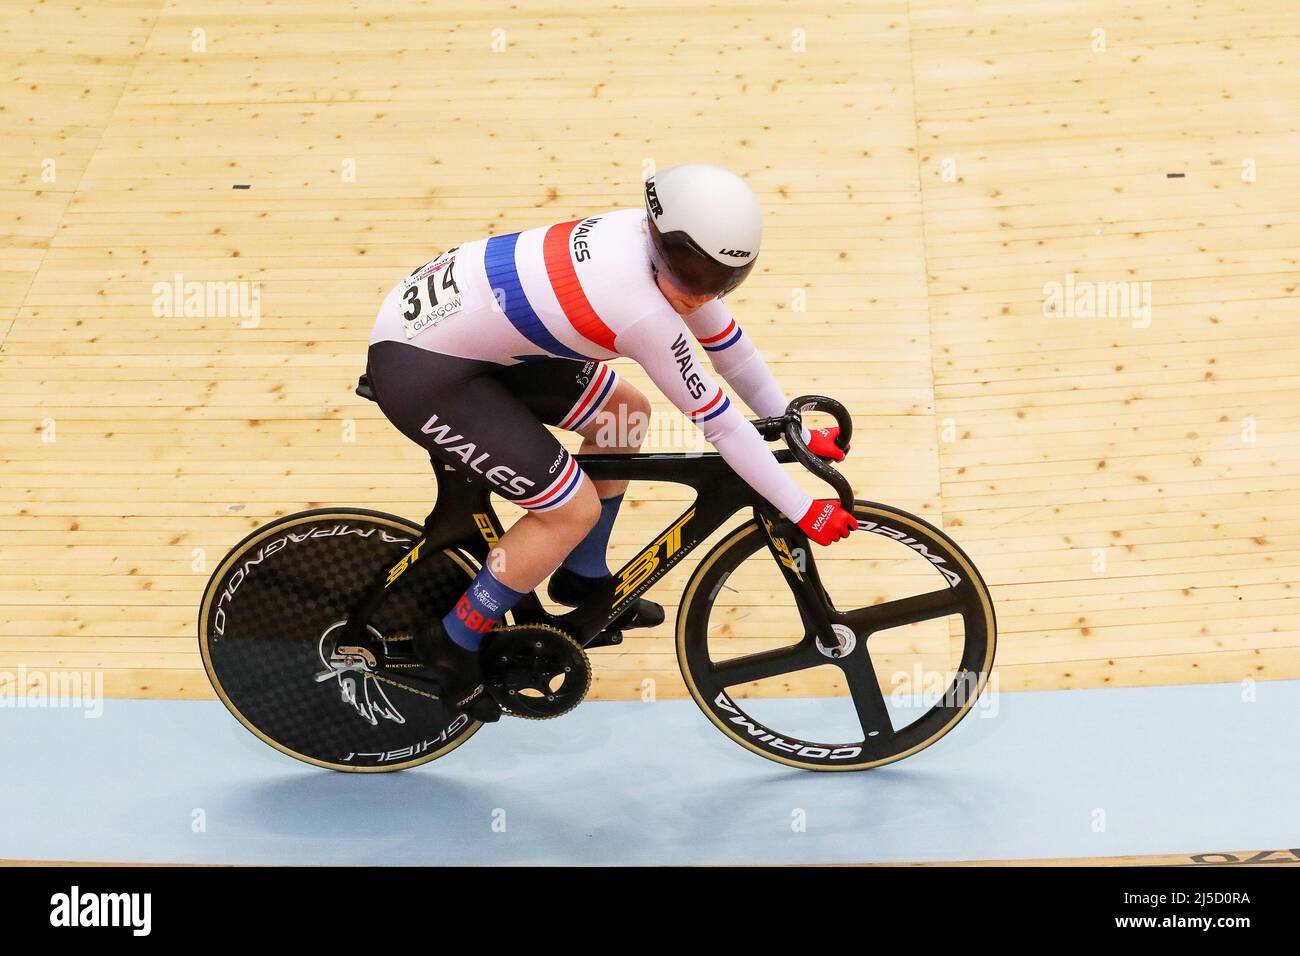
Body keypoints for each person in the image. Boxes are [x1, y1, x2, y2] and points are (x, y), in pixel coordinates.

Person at [366, 163, 856, 718]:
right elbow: (718, 425)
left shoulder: (659, 247)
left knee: (623, 414)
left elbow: (731, 350)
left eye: (722, 280)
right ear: (663, 238)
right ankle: (453, 637)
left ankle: (583, 575)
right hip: (424, 371)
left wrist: (790, 421)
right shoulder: (640, 308)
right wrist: (800, 507)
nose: (702, 293)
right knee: (566, 509)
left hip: (465, 336)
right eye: (693, 274)